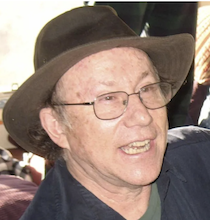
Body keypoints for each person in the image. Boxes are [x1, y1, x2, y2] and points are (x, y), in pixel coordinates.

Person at [2, 5, 210, 220]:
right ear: (57, 126)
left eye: (147, 89)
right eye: (108, 98)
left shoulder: (202, 156)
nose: (143, 116)